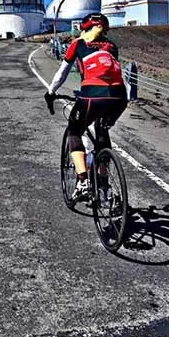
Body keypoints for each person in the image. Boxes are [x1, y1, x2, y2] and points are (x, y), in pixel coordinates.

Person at [44, 13, 128, 201]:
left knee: (74, 130)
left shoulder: (78, 44)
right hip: (120, 97)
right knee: (101, 132)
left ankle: (82, 182)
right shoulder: (111, 46)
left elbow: (61, 73)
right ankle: (105, 186)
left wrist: (51, 92)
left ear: (84, 28)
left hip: (92, 95)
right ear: (104, 29)